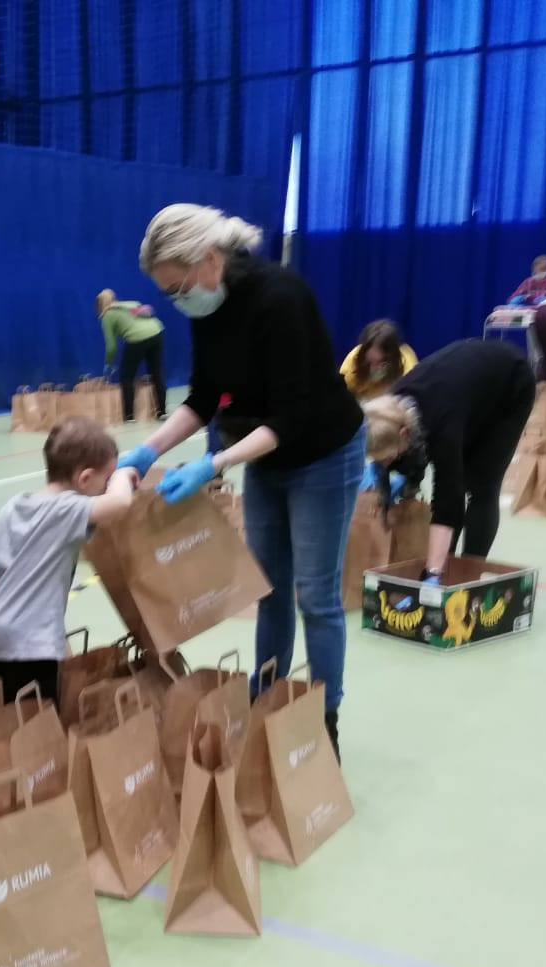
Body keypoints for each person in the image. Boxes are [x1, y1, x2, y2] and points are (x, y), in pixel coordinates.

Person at [120, 204, 365, 756]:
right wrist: (148, 450)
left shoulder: (282, 299)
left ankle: (324, 719)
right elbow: (204, 397)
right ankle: (266, 698)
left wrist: (214, 464)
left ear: (210, 261)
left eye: (178, 288)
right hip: (267, 456)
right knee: (268, 588)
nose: (177, 301)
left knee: (316, 596)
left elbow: (291, 417)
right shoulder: (207, 308)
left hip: (323, 452)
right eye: (168, 293)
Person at [0, 417, 137, 705]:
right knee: (37, 719)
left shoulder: (15, 505)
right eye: (105, 479)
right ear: (84, 479)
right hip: (33, 645)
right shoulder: (67, 509)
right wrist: (124, 476)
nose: (106, 487)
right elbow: (120, 503)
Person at [363, 339, 535, 581]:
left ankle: (468, 573)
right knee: (451, 474)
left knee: (480, 486)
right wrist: (383, 477)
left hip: (509, 387)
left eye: (388, 458)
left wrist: (432, 572)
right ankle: (446, 560)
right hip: (464, 389)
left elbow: (447, 503)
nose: (385, 463)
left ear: (404, 433)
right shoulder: (386, 412)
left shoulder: (443, 429)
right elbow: (392, 449)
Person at [97, 289, 167, 421]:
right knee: (156, 373)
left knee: (127, 377)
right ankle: (162, 412)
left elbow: (111, 346)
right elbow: (147, 315)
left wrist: (108, 363)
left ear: (99, 305)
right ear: (114, 298)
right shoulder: (132, 304)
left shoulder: (107, 316)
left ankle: (129, 416)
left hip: (136, 339)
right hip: (156, 332)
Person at [341, 319, 418, 401]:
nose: (373, 369)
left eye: (381, 363)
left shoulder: (408, 369)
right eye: (369, 362)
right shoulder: (352, 363)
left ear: (394, 360)